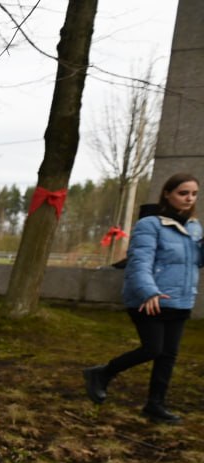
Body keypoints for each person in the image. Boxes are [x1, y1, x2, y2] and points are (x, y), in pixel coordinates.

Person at [83, 173, 201, 423]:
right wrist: (149, 291)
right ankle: (103, 373)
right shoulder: (150, 224)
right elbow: (139, 262)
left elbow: (196, 263)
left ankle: (155, 405)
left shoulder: (193, 226)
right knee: (152, 348)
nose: (189, 198)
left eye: (194, 194)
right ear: (167, 194)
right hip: (149, 298)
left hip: (180, 300)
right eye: (183, 193)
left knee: (168, 355)